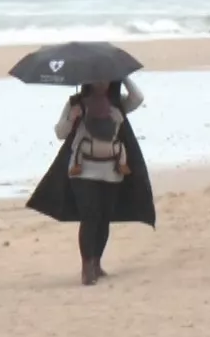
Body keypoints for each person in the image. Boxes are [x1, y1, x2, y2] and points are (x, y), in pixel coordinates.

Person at [26, 79, 157, 285]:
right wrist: (72, 117)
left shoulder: (118, 103)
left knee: (104, 217)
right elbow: (60, 133)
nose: (102, 82)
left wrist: (124, 77)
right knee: (90, 216)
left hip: (112, 171)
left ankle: (96, 262)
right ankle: (87, 267)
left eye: (107, 77)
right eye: (97, 78)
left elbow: (138, 98)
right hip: (82, 171)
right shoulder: (76, 103)